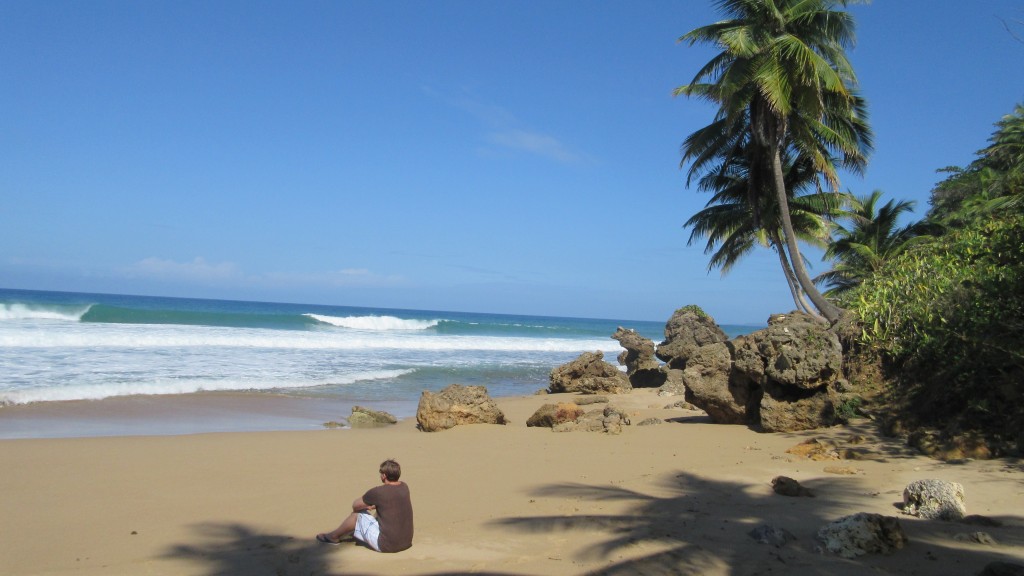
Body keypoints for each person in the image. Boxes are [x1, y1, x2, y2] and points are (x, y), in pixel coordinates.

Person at [316, 459, 414, 553]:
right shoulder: (404, 487)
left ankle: (333, 537)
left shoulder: (378, 492)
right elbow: (392, 503)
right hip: (406, 542)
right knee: (380, 513)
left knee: (357, 515)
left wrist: (367, 506)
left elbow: (355, 506)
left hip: (387, 545)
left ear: (384, 475)